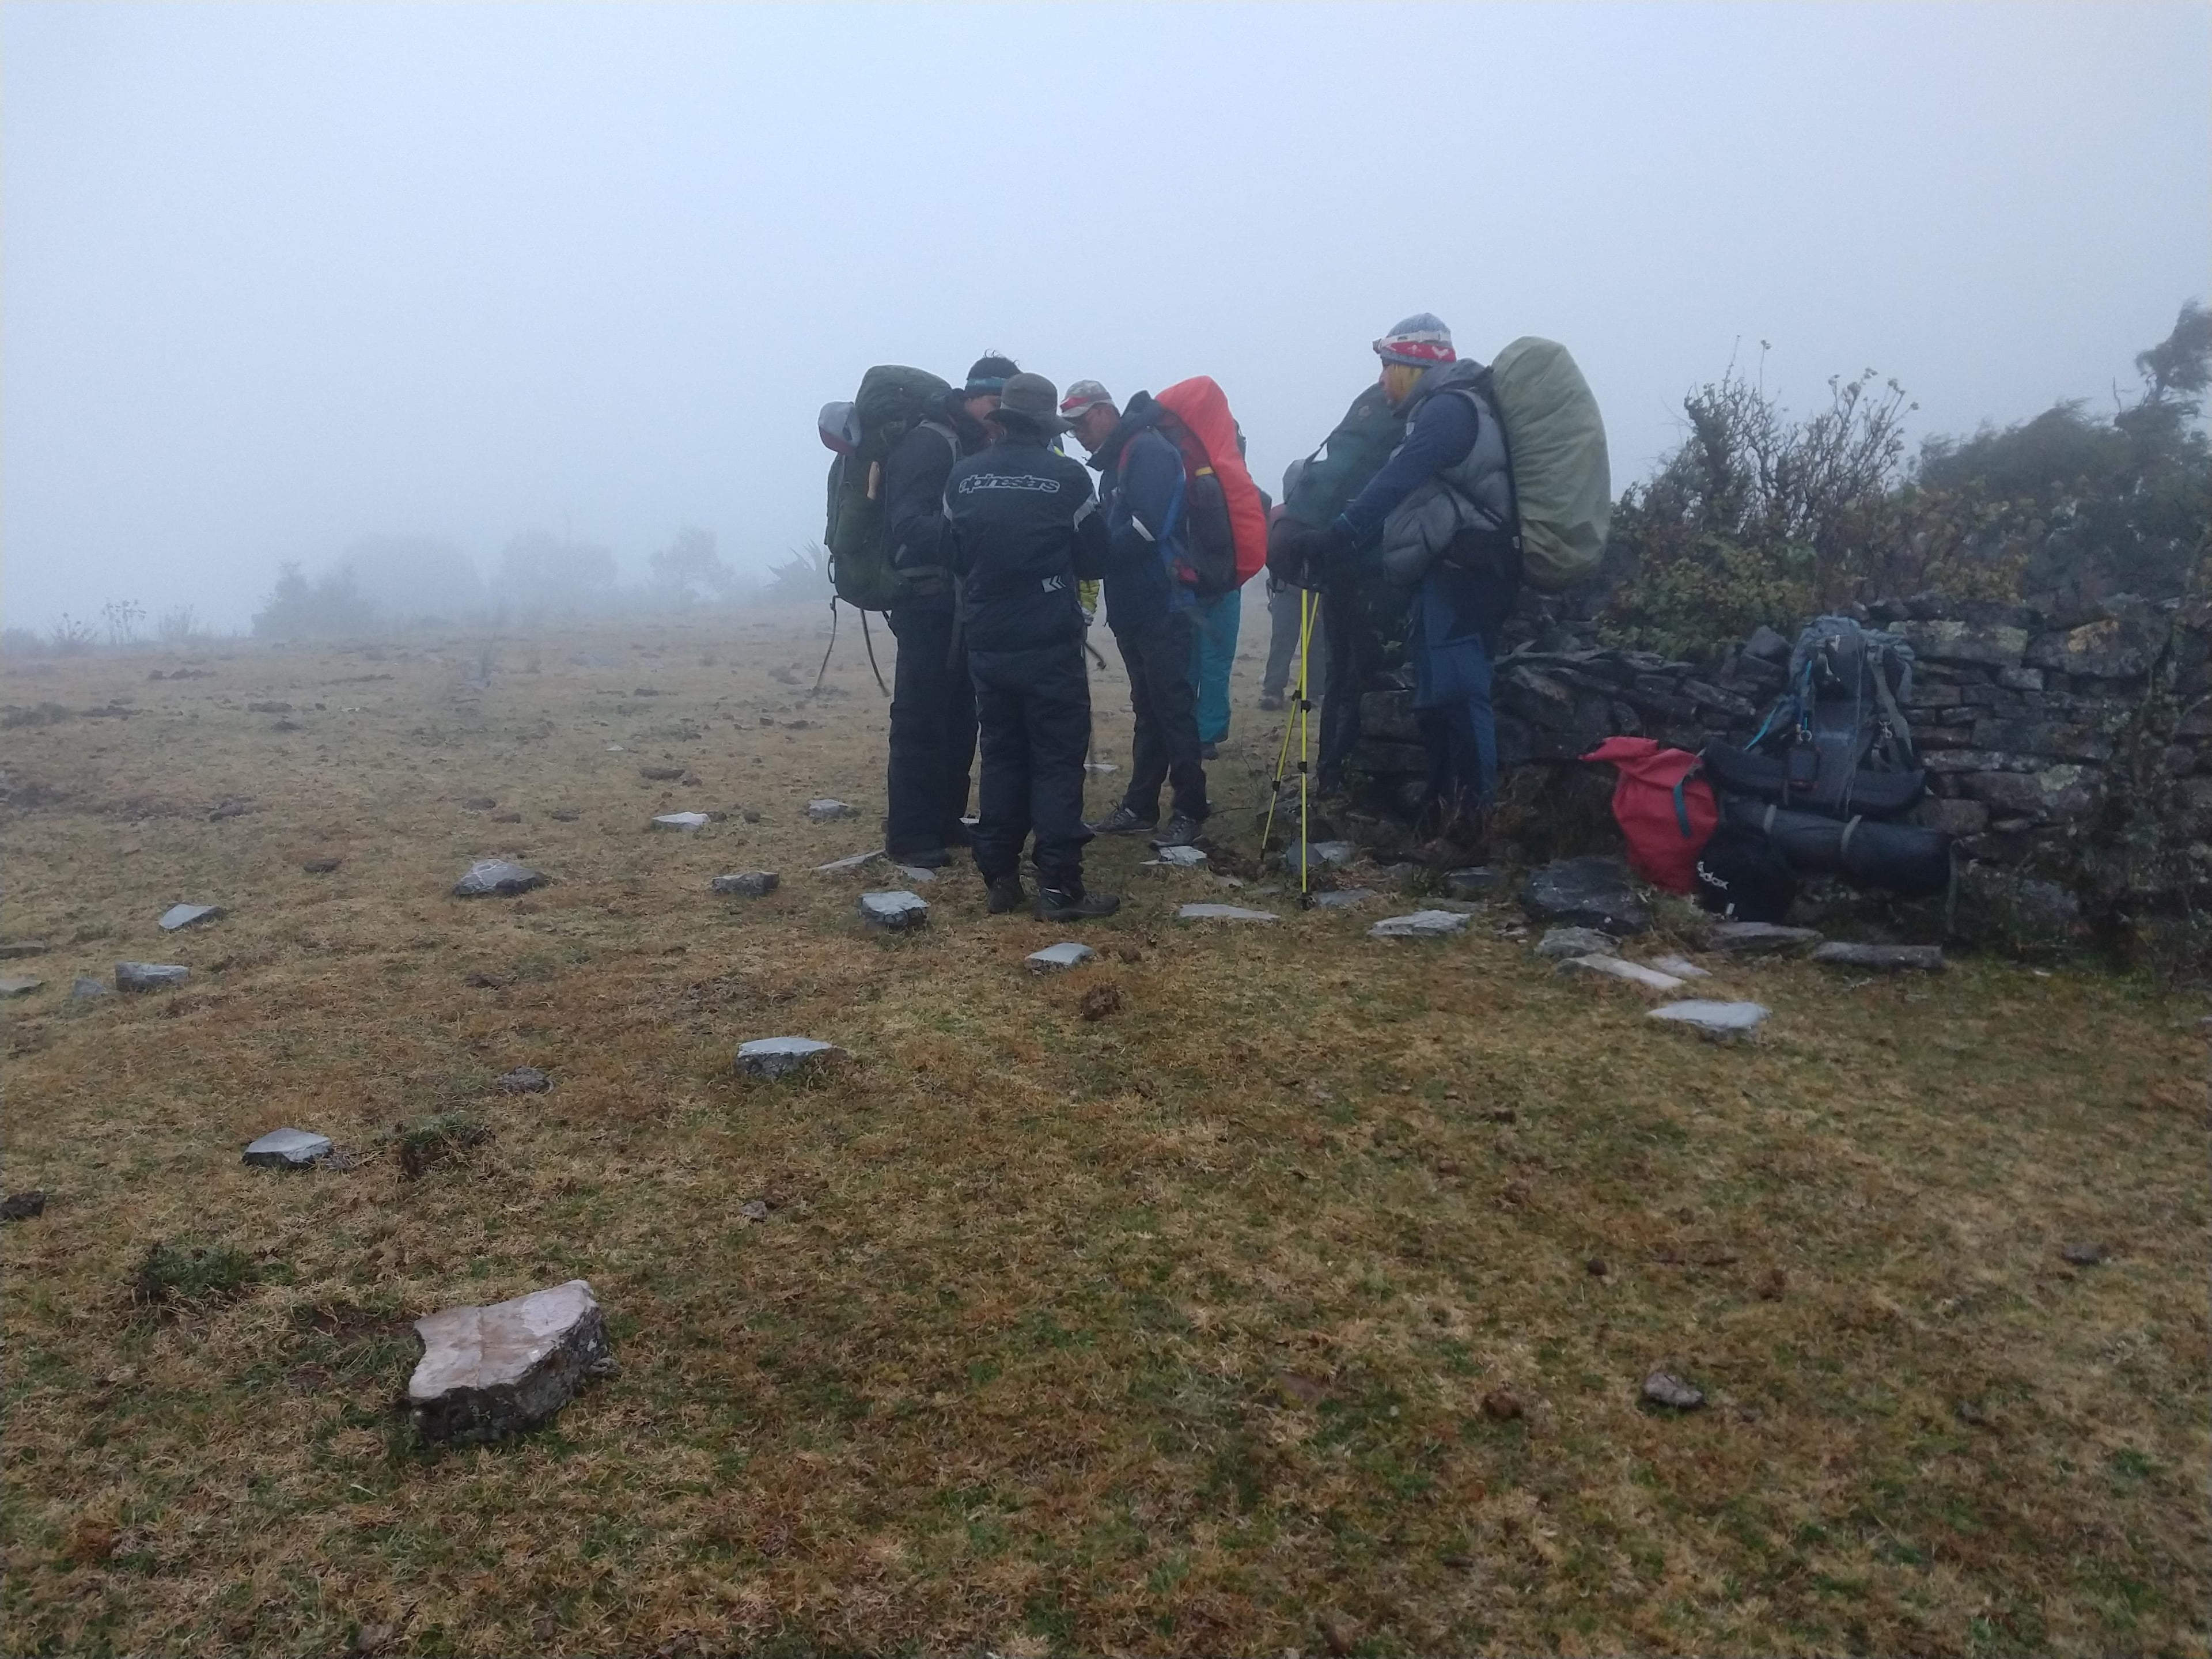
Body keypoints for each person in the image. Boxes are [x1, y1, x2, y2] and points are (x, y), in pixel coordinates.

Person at [1272, 314, 1520, 861]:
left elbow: (1395, 480)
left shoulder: (1448, 410)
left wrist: (1337, 535)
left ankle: (1473, 828)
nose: (1383, 380)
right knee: (1436, 696)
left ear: (1413, 365)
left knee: (1459, 694)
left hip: (1468, 574)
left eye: (1388, 367)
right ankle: (1440, 817)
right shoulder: (1440, 408)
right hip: (1447, 573)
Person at [942, 372, 1119, 920]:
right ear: (1047, 427)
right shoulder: (1067, 478)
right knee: (1057, 759)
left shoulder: (963, 478)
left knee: (1002, 753)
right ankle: (1060, 886)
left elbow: (952, 553)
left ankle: (1000, 876)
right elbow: (1097, 557)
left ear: (1003, 420)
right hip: (1048, 641)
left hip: (987, 639)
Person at [1058, 378, 1210, 849]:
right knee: (1149, 708)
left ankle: (1190, 809)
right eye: (1071, 427)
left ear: (1105, 411)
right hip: (1134, 606)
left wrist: (1092, 559)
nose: (1078, 434)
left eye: (1082, 423)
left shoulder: (1147, 451)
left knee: (1172, 707)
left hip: (1164, 603)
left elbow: (1147, 527)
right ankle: (1141, 806)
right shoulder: (1118, 460)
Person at [880, 354, 1018, 866]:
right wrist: (976, 538)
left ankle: (945, 819)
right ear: (971, 396)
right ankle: (910, 834)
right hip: (926, 601)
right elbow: (907, 525)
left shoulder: (974, 445)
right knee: (920, 716)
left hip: (961, 602)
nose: (999, 414)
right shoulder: (929, 444)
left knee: (960, 716)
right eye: (994, 401)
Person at [1267, 382, 1405, 794]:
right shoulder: (1396, 430)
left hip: (1327, 572)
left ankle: (1329, 771)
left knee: (1330, 662)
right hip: (1362, 568)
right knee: (1346, 668)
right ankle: (1338, 772)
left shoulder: (1292, 508)